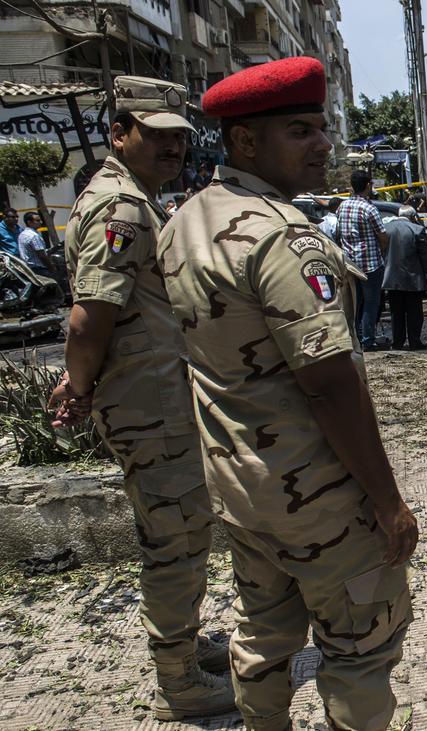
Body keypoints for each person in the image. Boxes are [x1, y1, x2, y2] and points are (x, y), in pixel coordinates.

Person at [157, 56, 417, 731]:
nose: (323, 144)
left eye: (321, 128)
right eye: (300, 130)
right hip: (319, 499)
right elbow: (330, 385)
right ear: (246, 141)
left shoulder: (184, 220)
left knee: (264, 635)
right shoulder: (281, 237)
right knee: (360, 647)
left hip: (242, 489)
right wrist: (389, 503)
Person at [48, 75, 234, 721]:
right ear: (118, 133)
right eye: (155, 136)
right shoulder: (123, 207)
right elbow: (89, 316)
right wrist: (78, 384)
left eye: (179, 138)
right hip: (149, 401)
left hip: (153, 394)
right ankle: (179, 681)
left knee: (182, 528)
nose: (172, 149)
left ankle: (184, 643)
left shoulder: (125, 197)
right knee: (175, 536)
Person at [338, 170, 390, 351]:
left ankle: (355, 338)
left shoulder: (342, 207)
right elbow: (383, 237)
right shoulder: (369, 208)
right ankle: (368, 339)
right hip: (370, 264)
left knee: (353, 304)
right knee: (370, 304)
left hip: (349, 264)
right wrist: (381, 252)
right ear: (368, 185)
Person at [383, 205, 427, 350]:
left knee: (396, 312)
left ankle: (397, 342)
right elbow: (424, 255)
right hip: (413, 276)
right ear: (412, 216)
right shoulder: (417, 229)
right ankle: (414, 341)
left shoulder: (386, 228)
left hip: (391, 276)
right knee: (414, 311)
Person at [18, 211, 55, 276]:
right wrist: (52, 268)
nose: (41, 222)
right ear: (29, 222)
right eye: (37, 220)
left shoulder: (22, 234)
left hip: (27, 269)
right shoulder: (34, 236)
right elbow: (42, 255)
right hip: (38, 269)